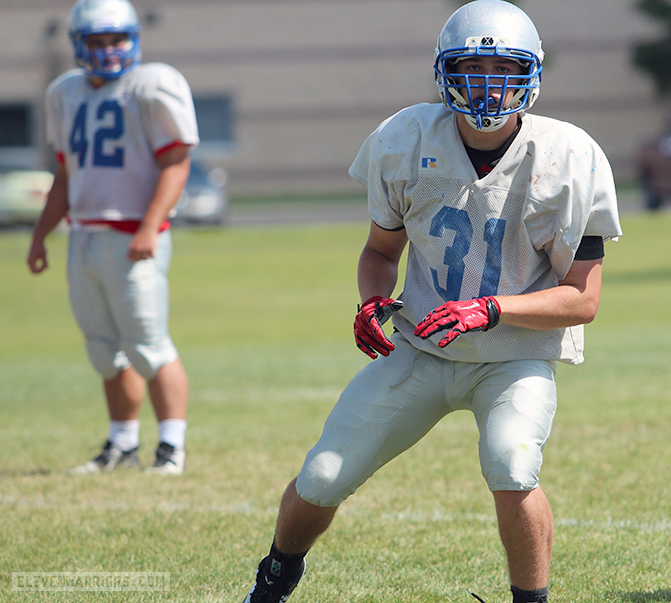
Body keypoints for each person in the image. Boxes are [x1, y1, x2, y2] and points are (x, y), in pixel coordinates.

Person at [242, 0, 621, 601]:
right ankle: (275, 578)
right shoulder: (406, 138)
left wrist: (491, 309)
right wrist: (372, 300)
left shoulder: (568, 156)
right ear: (446, 73)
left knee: (511, 463)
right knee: (322, 475)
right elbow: (379, 253)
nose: (489, 87)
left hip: (512, 356)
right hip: (421, 346)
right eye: (473, 70)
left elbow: (582, 299)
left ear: (533, 75)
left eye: (505, 71)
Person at [26, 0, 199, 476]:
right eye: (97, 42)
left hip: (132, 238)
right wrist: (40, 235)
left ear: (134, 38)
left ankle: (171, 447)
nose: (108, 51)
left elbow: (176, 163)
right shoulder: (65, 92)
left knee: (148, 344)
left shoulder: (152, 84)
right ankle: (122, 444)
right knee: (104, 348)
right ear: (79, 44)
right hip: (83, 235)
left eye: (117, 39)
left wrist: (148, 225)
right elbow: (65, 173)